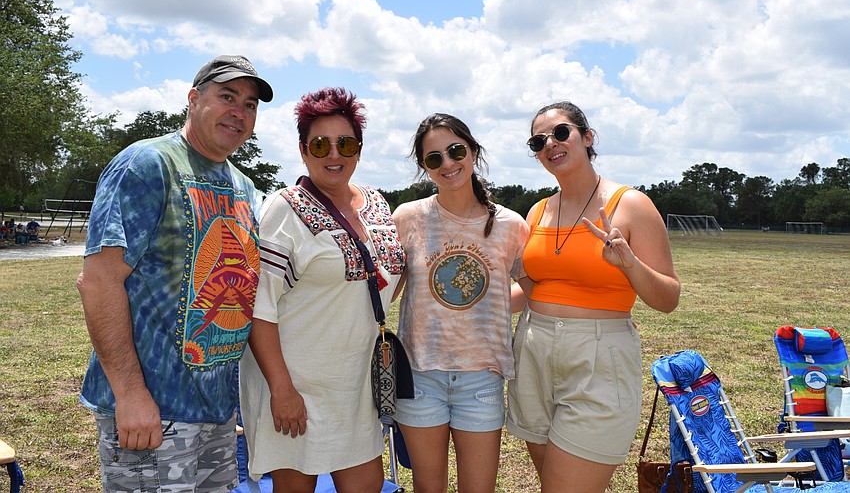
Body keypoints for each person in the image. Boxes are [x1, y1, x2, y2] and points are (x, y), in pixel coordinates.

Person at [76, 54, 273, 492]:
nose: (239, 112)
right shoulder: (148, 165)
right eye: (227, 97)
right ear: (193, 98)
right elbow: (99, 280)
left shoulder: (243, 187)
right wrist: (129, 394)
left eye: (250, 104)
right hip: (152, 411)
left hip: (217, 413)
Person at [506, 101, 681, 493]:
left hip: (598, 357)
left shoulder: (631, 205)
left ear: (587, 137)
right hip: (532, 352)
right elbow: (530, 290)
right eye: (538, 140)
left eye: (561, 132)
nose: (550, 143)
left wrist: (630, 264)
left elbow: (668, 298)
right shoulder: (536, 212)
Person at [238, 87, 406, 493]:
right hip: (298, 387)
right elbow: (261, 308)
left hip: (357, 387)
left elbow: (383, 281)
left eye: (345, 143)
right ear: (303, 151)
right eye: (320, 144)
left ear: (359, 149)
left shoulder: (378, 204)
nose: (334, 154)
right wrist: (282, 390)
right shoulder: (285, 208)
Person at [391, 113, 530, 493]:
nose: (448, 164)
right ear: (424, 167)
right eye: (433, 158)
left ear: (473, 152)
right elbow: (388, 290)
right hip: (420, 376)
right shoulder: (408, 218)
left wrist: (494, 303)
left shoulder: (510, 224)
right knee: (428, 487)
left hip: (481, 379)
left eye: (455, 151)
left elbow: (531, 288)